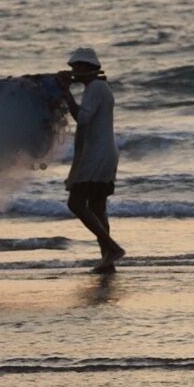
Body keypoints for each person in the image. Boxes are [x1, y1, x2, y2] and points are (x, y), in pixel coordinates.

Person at [58, 46, 124, 268]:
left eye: (77, 67)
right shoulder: (99, 87)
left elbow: (83, 119)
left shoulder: (95, 87)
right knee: (97, 207)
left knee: (75, 203)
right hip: (105, 153)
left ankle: (112, 248)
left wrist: (66, 92)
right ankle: (108, 260)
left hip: (97, 155)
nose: (74, 70)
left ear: (88, 67)